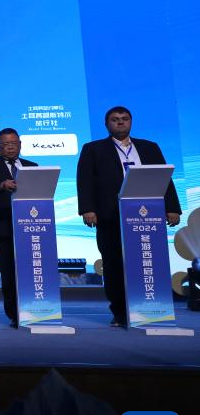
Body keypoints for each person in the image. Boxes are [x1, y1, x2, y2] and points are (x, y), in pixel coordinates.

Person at [76, 106, 181, 327]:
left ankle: (152, 309)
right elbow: (85, 181)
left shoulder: (149, 147)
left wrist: (172, 207)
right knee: (113, 265)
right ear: (107, 124)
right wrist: (88, 209)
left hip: (147, 217)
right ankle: (120, 312)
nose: (120, 122)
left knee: (148, 262)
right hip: (110, 216)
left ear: (131, 122)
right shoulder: (93, 149)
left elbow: (165, 178)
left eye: (125, 119)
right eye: (115, 119)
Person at [0, 128, 37, 327]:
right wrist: (2, 184)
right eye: (5, 144)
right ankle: (14, 313)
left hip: (32, 227)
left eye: (14, 143)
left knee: (31, 269)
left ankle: (35, 309)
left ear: (20, 144)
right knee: (9, 271)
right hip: (4, 225)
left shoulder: (32, 166)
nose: (10, 147)